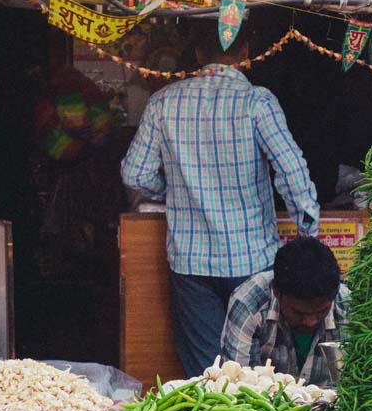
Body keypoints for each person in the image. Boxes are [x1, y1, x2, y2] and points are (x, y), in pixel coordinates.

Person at [121, 21, 320, 377]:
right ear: (245, 51)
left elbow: (135, 174)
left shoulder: (163, 102)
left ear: (197, 54)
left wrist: (172, 192)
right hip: (253, 260)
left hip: (191, 263)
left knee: (207, 375)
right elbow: (292, 171)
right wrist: (307, 233)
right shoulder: (257, 102)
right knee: (256, 373)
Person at [220, 237, 348, 386]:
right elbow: (241, 383)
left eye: (321, 311)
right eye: (299, 313)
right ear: (276, 291)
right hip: (265, 405)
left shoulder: (347, 306)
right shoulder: (249, 304)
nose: (310, 322)